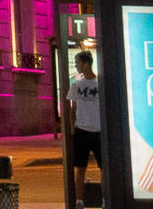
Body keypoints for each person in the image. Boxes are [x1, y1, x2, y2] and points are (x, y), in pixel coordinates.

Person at [66, 51, 103, 205]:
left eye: (78, 63)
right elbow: (72, 109)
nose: (76, 66)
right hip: (81, 131)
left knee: (103, 168)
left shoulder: (99, 84)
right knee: (80, 168)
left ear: (86, 64)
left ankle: (104, 200)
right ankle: (79, 201)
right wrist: (73, 129)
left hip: (98, 131)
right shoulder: (76, 84)